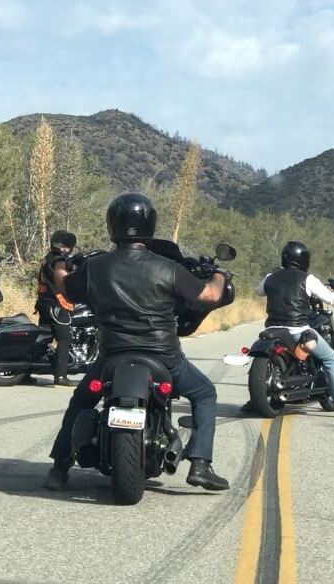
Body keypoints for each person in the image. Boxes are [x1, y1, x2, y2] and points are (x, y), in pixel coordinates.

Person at [44, 192, 230, 492]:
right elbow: (210, 295)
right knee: (205, 393)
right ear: (150, 225)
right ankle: (200, 464)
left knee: (81, 401)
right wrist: (219, 275)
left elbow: (64, 285)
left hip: (112, 357)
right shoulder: (168, 267)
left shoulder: (95, 267)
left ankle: (58, 469)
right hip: (164, 358)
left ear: (112, 224)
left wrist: (59, 263)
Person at [254, 241, 334, 418]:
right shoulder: (308, 279)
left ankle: (254, 400)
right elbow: (333, 300)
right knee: (331, 358)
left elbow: (259, 291)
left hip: (272, 329)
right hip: (297, 330)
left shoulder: (270, 277)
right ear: (304, 259)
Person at [37, 230, 77, 387]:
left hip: (44, 302)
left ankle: (33, 368)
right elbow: (64, 281)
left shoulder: (47, 258)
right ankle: (61, 376)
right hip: (56, 304)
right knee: (64, 338)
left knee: (45, 338)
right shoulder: (60, 261)